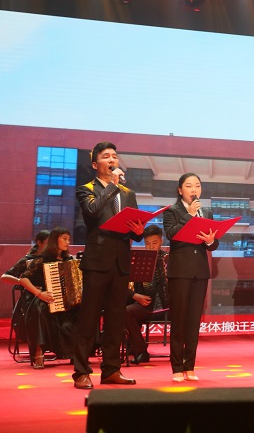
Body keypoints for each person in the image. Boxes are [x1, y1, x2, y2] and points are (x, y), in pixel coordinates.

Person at [71, 142, 144, 390]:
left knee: (115, 319)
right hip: (97, 261)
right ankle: (81, 371)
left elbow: (133, 227)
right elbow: (92, 211)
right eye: (106, 156)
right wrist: (112, 185)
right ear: (95, 164)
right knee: (88, 318)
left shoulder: (128, 193)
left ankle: (111, 370)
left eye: (114, 156)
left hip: (121, 261)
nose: (112, 159)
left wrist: (139, 231)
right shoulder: (86, 189)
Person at [163, 173, 218, 382]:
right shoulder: (172, 211)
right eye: (188, 186)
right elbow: (172, 234)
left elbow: (213, 244)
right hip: (179, 272)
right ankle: (177, 367)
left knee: (194, 321)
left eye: (197, 185)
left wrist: (211, 240)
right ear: (180, 190)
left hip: (199, 271)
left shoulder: (207, 212)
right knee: (179, 320)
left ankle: (190, 366)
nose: (194, 190)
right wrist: (189, 215)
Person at [17, 227, 79, 369]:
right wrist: (39, 294)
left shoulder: (69, 260)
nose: (68, 242)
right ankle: (39, 353)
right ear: (55, 240)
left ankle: (77, 353)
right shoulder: (41, 259)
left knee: (83, 310)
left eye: (69, 239)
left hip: (67, 301)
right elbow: (23, 279)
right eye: (64, 239)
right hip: (46, 298)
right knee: (41, 311)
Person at [124, 225, 169, 365]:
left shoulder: (167, 259)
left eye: (154, 243)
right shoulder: (139, 258)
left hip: (165, 305)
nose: (150, 246)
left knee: (128, 311)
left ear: (161, 241)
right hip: (144, 303)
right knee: (125, 310)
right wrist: (136, 296)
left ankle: (137, 349)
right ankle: (140, 350)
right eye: (147, 243)